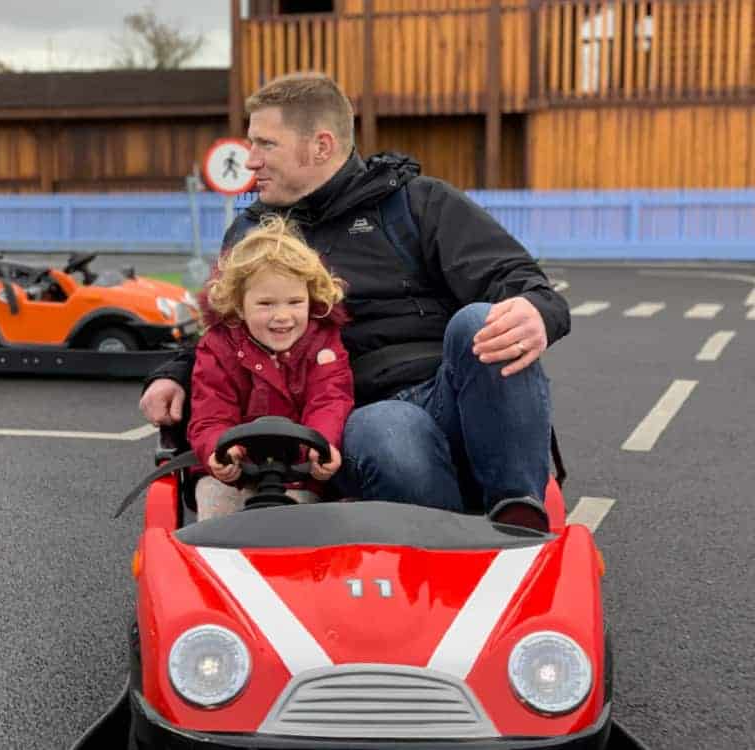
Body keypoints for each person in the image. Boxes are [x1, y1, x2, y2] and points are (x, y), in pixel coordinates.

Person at [141, 72, 571, 531]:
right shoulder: (253, 234)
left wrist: (536, 312)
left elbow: (523, 281)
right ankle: (452, 542)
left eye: (265, 144)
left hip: (450, 395)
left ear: (321, 146)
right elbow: (224, 328)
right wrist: (173, 375)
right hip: (353, 416)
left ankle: (519, 515)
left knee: (481, 321)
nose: (250, 161)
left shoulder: (418, 203)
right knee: (386, 428)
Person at [188, 215, 354, 521]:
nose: (282, 316)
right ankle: (217, 561)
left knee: (305, 524)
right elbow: (211, 414)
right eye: (266, 304)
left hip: (299, 472)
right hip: (232, 473)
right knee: (217, 511)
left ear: (311, 299)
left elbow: (329, 400)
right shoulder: (218, 347)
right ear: (239, 305)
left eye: (294, 302)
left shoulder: (324, 346)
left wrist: (322, 444)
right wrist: (221, 451)